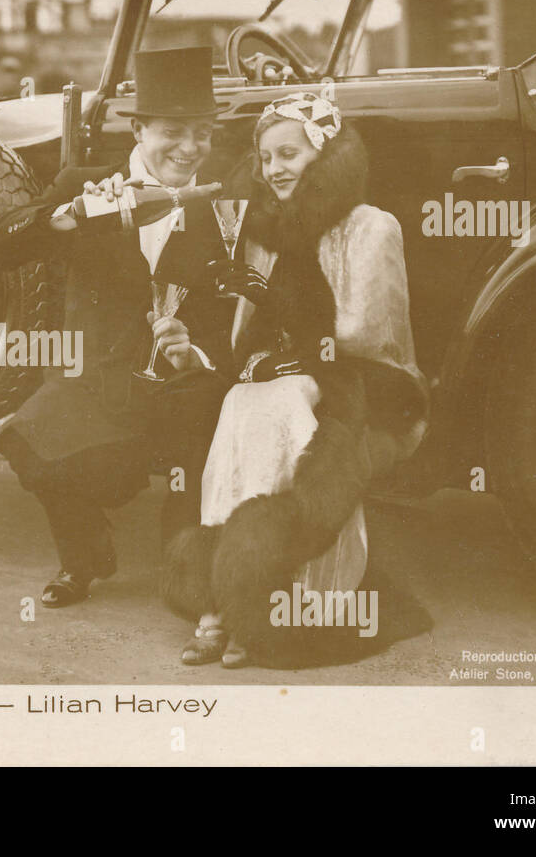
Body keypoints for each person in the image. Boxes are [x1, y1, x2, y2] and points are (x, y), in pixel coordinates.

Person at [161, 91, 429, 666]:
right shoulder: (260, 233)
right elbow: (248, 337)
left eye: (290, 153)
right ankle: (223, 601)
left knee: (277, 400)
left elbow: (370, 340)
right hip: (278, 379)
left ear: (324, 155)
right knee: (242, 400)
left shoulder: (370, 227)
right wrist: (255, 356)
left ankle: (251, 601)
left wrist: (297, 367)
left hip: (362, 384)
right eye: (266, 157)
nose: (275, 168)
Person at [0, 46, 239, 608]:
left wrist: (199, 356)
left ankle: (188, 574)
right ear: (138, 129)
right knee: (26, 438)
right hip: (97, 389)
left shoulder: (222, 203)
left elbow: (240, 310)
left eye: (203, 133)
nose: (191, 149)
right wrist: (61, 218)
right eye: (173, 131)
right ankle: (85, 556)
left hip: (188, 394)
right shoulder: (84, 184)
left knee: (188, 577)